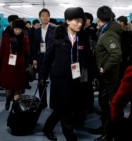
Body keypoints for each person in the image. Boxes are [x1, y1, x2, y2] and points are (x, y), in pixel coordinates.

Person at [38, 7, 92, 141]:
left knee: (63, 107)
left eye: (82, 21)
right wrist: (42, 77)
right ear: (68, 21)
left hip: (76, 77)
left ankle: (47, 128)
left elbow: (88, 57)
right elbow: (47, 58)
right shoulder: (56, 35)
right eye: (77, 21)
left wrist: (94, 75)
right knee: (65, 108)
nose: (80, 24)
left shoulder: (82, 36)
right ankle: (70, 136)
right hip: (59, 79)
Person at [92, 5, 122, 141]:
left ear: (98, 18)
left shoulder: (109, 34)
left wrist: (106, 68)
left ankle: (109, 134)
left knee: (109, 106)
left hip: (110, 77)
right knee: (104, 105)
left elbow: (116, 54)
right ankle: (105, 128)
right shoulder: (106, 30)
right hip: (107, 77)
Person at [0, 19, 30, 111]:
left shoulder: (25, 38)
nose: (18, 31)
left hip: (19, 65)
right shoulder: (7, 37)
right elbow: (2, 49)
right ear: (13, 28)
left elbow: (26, 51)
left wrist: (19, 47)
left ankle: (15, 105)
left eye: (20, 29)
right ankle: (8, 99)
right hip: (7, 64)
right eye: (16, 29)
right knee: (8, 86)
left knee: (17, 86)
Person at [32, 8, 56, 109]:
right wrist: (34, 59)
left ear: (49, 17)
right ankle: (43, 102)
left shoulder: (54, 28)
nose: (45, 17)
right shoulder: (37, 31)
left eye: (47, 15)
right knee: (41, 80)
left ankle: (54, 103)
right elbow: (34, 45)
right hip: (41, 57)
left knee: (55, 80)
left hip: (53, 58)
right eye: (43, 15)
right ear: (40, 17)